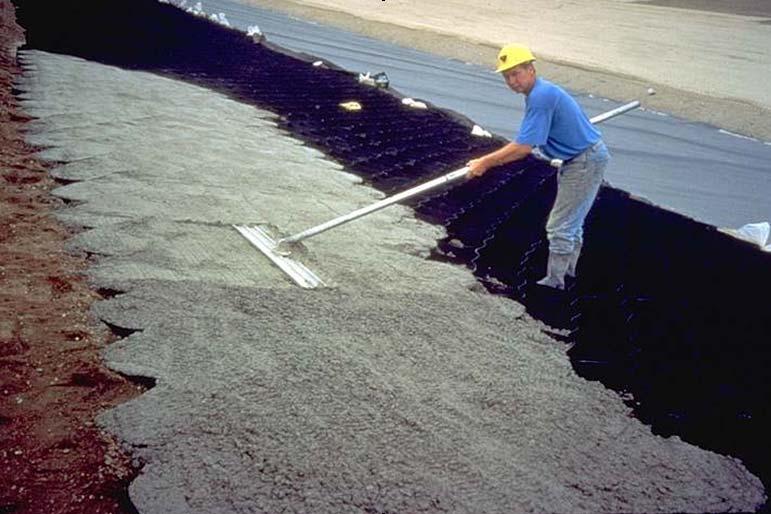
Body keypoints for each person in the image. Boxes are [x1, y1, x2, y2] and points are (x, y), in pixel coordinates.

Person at [466, 44, 610, 290]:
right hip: (583, 157)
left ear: (531, 69)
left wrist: (484, 162)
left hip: (584, 161)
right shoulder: (541, 93)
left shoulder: (541, 96)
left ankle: (555, 283)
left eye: (516, 73)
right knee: (572, 222)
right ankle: (569, 274)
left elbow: (523, 147)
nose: (512, 81)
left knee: (560, 225)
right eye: (507, 76)